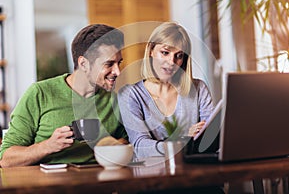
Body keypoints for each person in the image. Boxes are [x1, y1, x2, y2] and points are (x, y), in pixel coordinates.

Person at [0, 24, 128, 167]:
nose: (117, 71)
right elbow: (6, 159)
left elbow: (127, 142)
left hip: (102, 183)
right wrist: (48, 146)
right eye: (109, 64)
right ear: (84, 64)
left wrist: (115, 145)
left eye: (119, 63)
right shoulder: (40, 94)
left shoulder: (114, 100)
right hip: (51, 185)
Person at [118, 22, 215, 158]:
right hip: (152, 174)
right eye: (165, 52)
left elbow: (211, 138)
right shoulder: (130, 95)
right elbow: (140, 146)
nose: (171, 61)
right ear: (151, 50)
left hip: (194, 170)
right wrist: (183, 139)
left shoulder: (199, 88)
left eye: (179, 56)